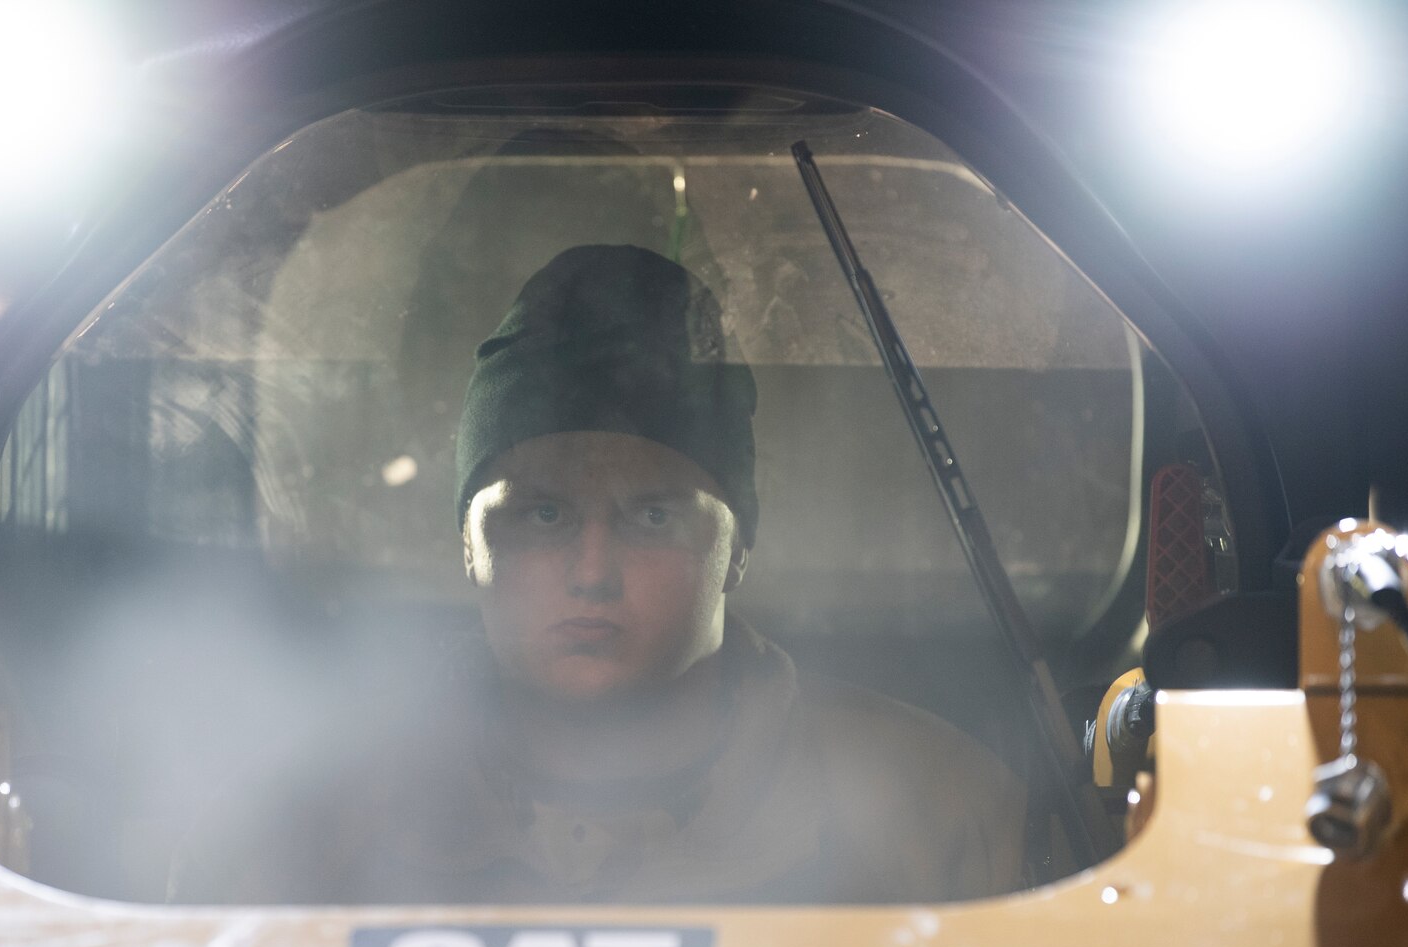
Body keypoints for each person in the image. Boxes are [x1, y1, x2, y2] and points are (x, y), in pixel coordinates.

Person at [172, 244, 1023, 904]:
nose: (591, 571)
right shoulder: (316, 815)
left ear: (740, 546)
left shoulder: (930, 809)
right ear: (468, 544)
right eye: (540, 515)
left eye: (652, 516)